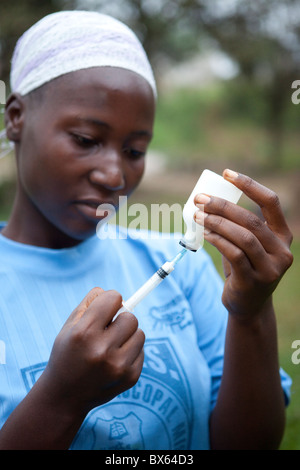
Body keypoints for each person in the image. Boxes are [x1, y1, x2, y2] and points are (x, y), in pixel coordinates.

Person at [0, 10, 293, 450]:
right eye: (85, 139)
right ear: (16, 117)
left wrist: (251, 315)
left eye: (135, 149)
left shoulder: (179, 267)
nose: (115, 174)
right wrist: (61, 400)